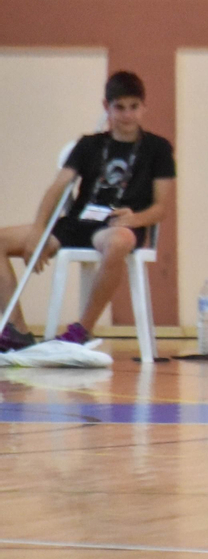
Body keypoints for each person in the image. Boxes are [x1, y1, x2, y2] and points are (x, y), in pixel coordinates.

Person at [0, 71, 175, 352]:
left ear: (144, 107)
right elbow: (57, 188)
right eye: (119, 107)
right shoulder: (88, 144)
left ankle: (82, 330)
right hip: (77, 223)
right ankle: (16, 329)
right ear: (107, 107)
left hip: (119, 226)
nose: (127, 115)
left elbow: (160, 208)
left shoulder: (158, 148)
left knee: (119, 241)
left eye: (133, 107)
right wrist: (37, 231)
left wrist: (135, 219)